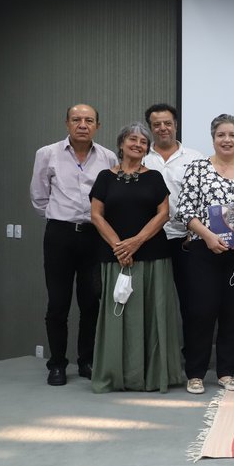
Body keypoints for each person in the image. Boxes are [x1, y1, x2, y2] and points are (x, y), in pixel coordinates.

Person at [89, 122, 183, 393]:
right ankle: (118, 376)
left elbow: (163, 214)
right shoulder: (105, 177)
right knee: (119, 315)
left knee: (154, 315)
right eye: (133, 139)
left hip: (153, 256)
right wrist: (120, 247)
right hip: (115, 257)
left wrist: (136, 242)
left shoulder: (154, 177)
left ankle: (153, 375)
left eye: (143, 142)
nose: (138, 145)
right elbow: (96, 215)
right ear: (121, 144)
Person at [176, 114, 234, 394]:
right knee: (201, 312)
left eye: (232, 135)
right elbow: (185, 210)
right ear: (213, 138)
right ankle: (196, 373)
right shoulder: (197, 169)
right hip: (204, 251)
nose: (227, 140)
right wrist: (207, 236)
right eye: (221, 135)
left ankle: (226, 371)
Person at [30, 104, 118, 386]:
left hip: (94, 236)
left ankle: (86, 361)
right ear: (67, 123)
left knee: (91, 302)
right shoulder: (47, 154)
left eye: (89, 120)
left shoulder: (108, 157)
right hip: (60, 235)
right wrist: (61, 217)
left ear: (97, 126)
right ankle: (57, 364)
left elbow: (110, 197)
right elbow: (39, 197)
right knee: (58, 303)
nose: (83, 125)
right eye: (77, 119)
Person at [142, 103, 204, 320]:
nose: (162, 128)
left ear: (176, 125)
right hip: (150, 238)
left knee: (191, 299)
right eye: (156, 124)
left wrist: (194, 233)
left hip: (185, 239)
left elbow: (204, 199)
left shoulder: (196, 158)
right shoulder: (142, 157)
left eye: (167, 123)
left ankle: (190, 342)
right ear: (150, 127)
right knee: (151, 298)